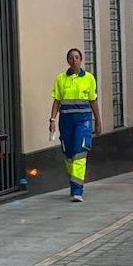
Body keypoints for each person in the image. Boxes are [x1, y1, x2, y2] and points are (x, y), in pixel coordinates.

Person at [49, 48, 101, 202]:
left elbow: (93, 101)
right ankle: (74, 184)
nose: (74, 60)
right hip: (66, 121)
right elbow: (57, 101)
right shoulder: (60, 79)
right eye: (71, 58)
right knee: (69, 155)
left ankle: (77, 190)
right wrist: (52, 120)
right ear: (68, 61)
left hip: (83, 121)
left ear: (81, 60)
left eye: (77, 57)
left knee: (79, 153)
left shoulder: (89, 78)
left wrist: (98, 121)